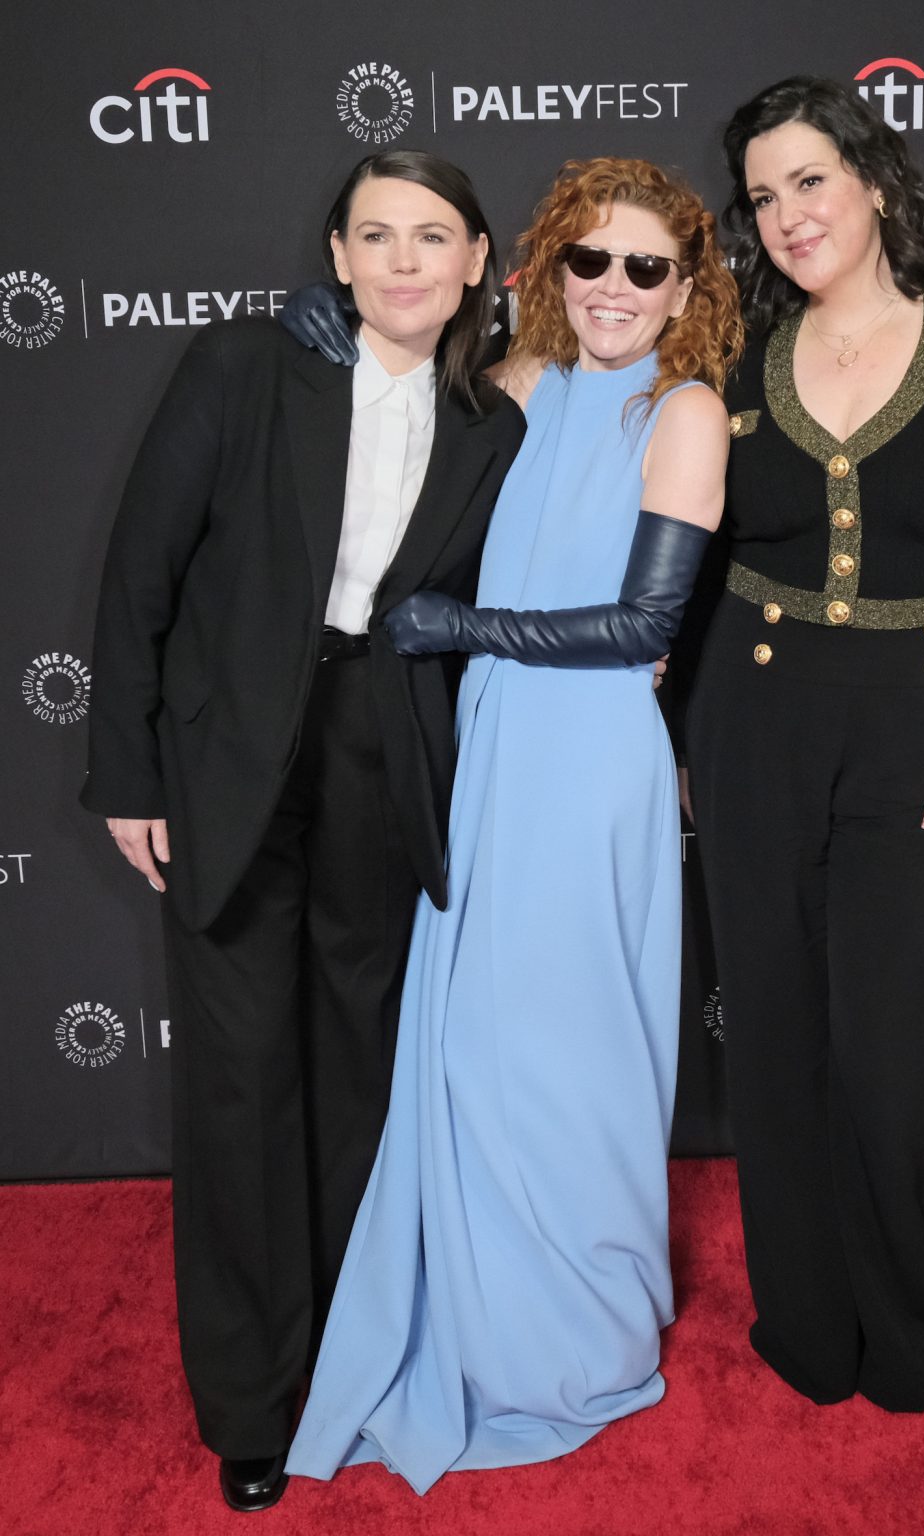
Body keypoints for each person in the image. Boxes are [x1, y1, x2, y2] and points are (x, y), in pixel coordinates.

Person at [282, 156, 738, 1495]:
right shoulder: (518, 389)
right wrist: (330, 332)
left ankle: (572, 1328)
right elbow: (385, 445)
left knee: (568, 1054)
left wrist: (463, 629)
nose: (612, 289)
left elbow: (645, 627)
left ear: (683, 289)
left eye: (645, 268)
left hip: (585, 761)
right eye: (588, 261)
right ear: (542, 269)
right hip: (481, 745)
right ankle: (465, 1307)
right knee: (472, 1044)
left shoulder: (687, 410)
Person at [81, 150, 525, 1511]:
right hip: (226, 768)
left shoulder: (491, 429)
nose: (402, 260)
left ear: (475, 263)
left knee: (358, 1083)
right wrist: (126, 775)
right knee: (236, 1091)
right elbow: (139, 571)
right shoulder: (238, 368)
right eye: (374, 234)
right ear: (335, 255)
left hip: (380, 769)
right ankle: (249, 1403)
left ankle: (353, 1359)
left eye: (430, 236)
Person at [681, 76, 924, 1413]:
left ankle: (904, 1333)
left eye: (808, 180)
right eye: (761, 195)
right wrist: (680, 739)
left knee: (884, 1044)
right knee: (773, 1033)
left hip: (917, 732)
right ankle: (805, 1326)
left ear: (870, 179)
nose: (787, 215)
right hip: (751, 721)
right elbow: (699, 558)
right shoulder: (726, 354)